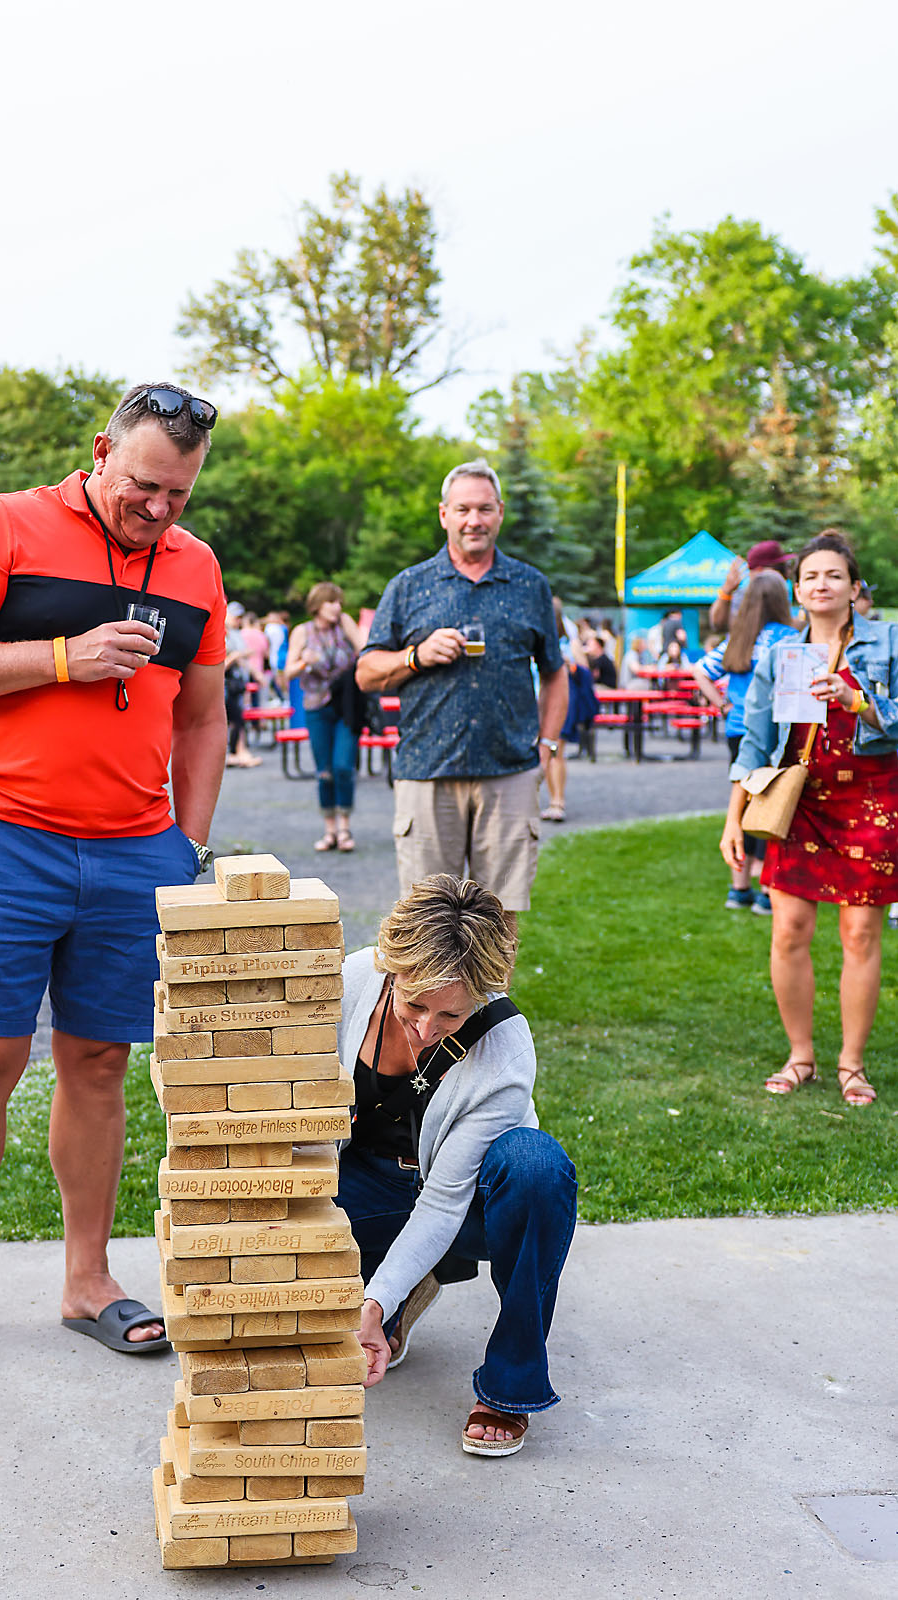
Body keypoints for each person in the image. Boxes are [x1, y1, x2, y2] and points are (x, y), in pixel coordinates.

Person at [0, 380, 228, 1378]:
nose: (158, 510)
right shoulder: (7, 525)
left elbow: (202, 717)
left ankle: (86, 1279)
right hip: (6, 835)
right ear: (102, 450)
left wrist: (182, 850)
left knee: (100, 1064)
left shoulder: (195, 569)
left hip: (133, 850)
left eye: (180, 495)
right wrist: (68, 656)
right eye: (146, 486)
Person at [337, 874, 577, 1455]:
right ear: (390, 969)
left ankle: (508, 1388)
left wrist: (370, 1303)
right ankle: (396, 1298)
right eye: (414, 1004)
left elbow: (443, 1202)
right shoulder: (348, 981)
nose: (425, 1029)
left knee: (536, 1167)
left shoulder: (505, 1050)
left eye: (450, 1016)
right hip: (365, 1183)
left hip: (466, 1202)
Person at [720, 532, 898, 1106]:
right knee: (789, 931)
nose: (822, 585)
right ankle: (801, 1056)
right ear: (797, 591)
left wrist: (856, 701)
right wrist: (734, 819)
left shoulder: (888, 642)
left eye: (834, 575)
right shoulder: (779, 655)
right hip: (799, 801)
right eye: (811, 577)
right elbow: (755, 741)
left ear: (853, 586)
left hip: (871, 799)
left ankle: (851, 1064)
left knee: (861, 933)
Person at [355, 459, 567, 933]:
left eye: (485, 509)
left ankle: (492, 1011)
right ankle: (432, 1012)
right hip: (427, 771)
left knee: (499, 920)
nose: (475, 520)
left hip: (509, 773)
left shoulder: (530, 585)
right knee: (427, 924)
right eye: (464, 509)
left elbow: (555, 673)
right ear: (444, 514)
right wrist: (416, 656)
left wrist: (548, 747)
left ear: (500, 513)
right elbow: (366, 673)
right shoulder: (408, 586)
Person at [694, 571, 797, 913]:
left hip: (738, 732)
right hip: (775, 733)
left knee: (741, 807)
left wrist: (723, 705)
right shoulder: (792, 639)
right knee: (774, 806)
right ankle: (768, 890)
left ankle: (738, 889)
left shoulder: (739, 639)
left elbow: (700, 671)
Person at [284, 582, 364, 852]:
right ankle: (330, 829)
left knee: (343, 766)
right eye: (331, 602)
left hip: (347, 707)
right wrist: (305, 660)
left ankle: (344, 827)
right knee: (325, 771)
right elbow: (288, 673)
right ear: (317, 604)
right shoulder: (302, 632)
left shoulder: (345, 625)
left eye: (339, 602)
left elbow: (366, 650)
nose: (337, 607)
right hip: (316, 707)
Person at [541, 600, 596, 824]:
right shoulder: (537, 641)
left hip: (560, 701)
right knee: (544, 751)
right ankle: (551, 800)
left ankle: (558, 801)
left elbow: (584, 672)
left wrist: (569, 664)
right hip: (536, 701)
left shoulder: (568, 643)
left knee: (555, 749)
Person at [710, 539, 792, 631]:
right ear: (759, 570)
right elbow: (718, 626)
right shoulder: (743, 595)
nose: (787, 573)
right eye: (780, 568)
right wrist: (726, 591)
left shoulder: (783, 591)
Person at [224, 603, 261, 768]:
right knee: (235, 719)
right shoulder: (222, 633)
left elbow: (244, 655)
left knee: (237, 719)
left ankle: (239, 752)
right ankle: (235, 753)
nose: (238, 620)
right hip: (225, 683)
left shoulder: (235, 634)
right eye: (235, 617)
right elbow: (223, 663)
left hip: (235, 683)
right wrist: (236, 656)